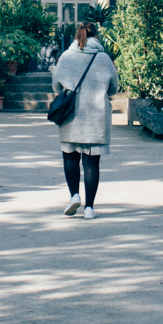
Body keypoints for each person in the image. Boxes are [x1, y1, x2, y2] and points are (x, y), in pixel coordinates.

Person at [51, 21, 119, 219]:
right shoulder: (104, 58)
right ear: (96, 37)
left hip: (70, 117)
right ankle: (89, 208)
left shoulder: (66, 57)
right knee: (91, 163)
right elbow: (114, 88)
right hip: (96, 119)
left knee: (70, 157)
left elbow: (56, 87)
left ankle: (74, 195)